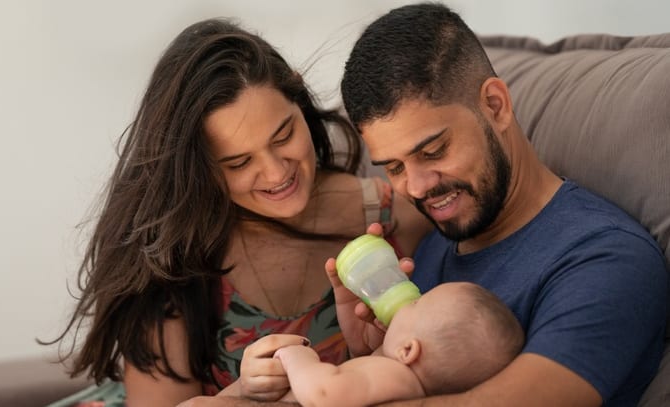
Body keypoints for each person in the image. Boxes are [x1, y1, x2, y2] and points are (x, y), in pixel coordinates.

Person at [42, 18, 432, 407]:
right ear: (199, 170)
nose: (277, 173)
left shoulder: (397, 217)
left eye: (284, 136)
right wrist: (244, 391)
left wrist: (372, 360)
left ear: (300, 103)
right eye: (239, 162)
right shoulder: (175, 256)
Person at [331, 2, 668, 406]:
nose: (417, 187)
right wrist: (371, 358)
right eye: (394, 167)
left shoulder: (606, 259)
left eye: (434, 151)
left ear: (495, 105)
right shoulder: (433, 243)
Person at [266, 282, 524, 407]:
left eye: (415, 304)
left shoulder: (394, 374)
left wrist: (298, 357)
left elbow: (324, 394)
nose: (407, 302)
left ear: (408, 350)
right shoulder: (408, 383)